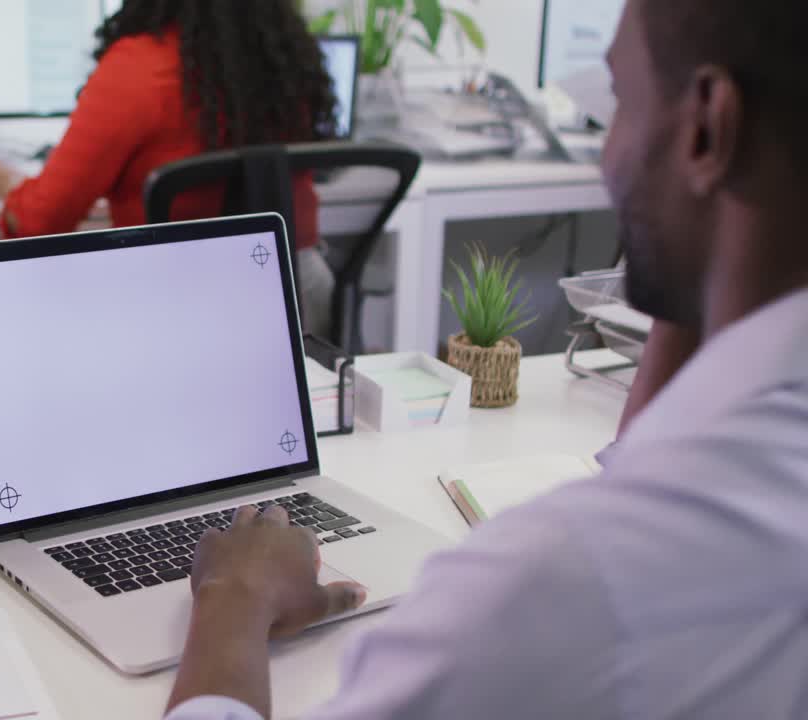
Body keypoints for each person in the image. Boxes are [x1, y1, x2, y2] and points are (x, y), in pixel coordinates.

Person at [164, 0, 808, 717]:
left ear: (707, 127)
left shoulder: (552, 588)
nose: (606, 155)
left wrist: (232, 600)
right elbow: (657, 471)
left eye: (620, 100)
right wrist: (704, 277)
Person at [0, 0, 341, 337]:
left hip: (171, 304)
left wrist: (11, 187)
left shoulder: (138, 68)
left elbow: (42, 221)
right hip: (297, 292)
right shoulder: (285, 62)